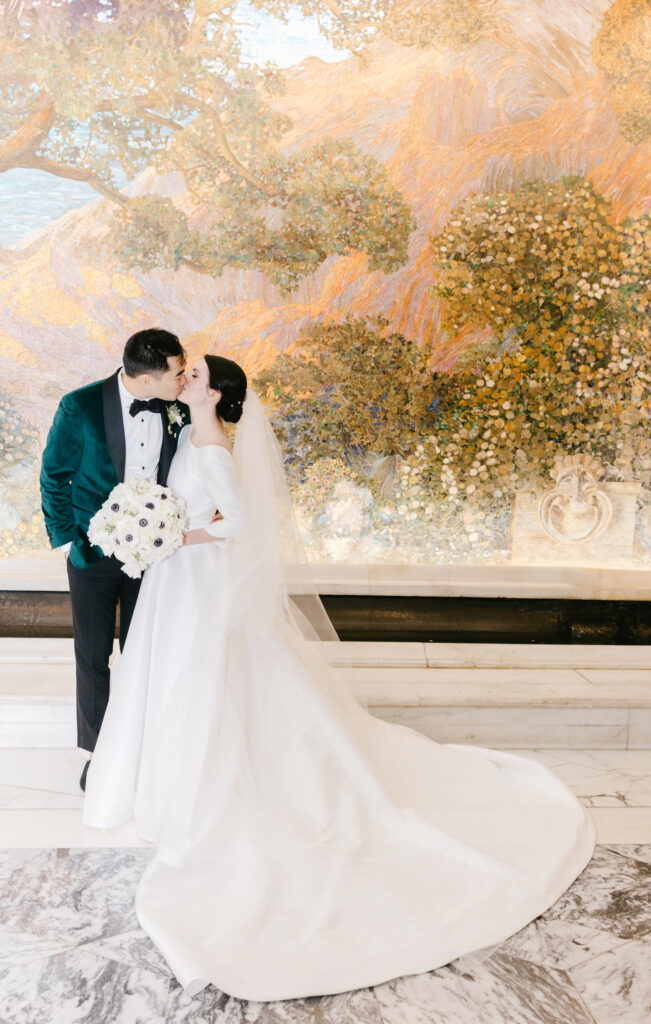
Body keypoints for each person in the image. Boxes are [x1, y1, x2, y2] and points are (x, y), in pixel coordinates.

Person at [83, 353, 596, 1002]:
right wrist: (151, 525)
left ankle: (212, 785)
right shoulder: (190, 431)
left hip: (200, 582)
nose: (185, 380)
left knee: (213, 686)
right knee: (171, 679)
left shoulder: (211, 441)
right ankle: (163, 779)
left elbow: (237, 524)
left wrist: (172, 537)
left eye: (196, 377)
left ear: (216, 395)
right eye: (184, 374)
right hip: (176, 586)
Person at [40, 328, 189, 792]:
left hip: (158, 555)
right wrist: (69, 541)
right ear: (148, 379)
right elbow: (53, 476)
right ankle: (99, 754)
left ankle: (143, 747)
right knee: (93, 655)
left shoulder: (180, 411)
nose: (182, 380)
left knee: (145, 654)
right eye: (177, 372)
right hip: (93, 554)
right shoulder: (79, 406)